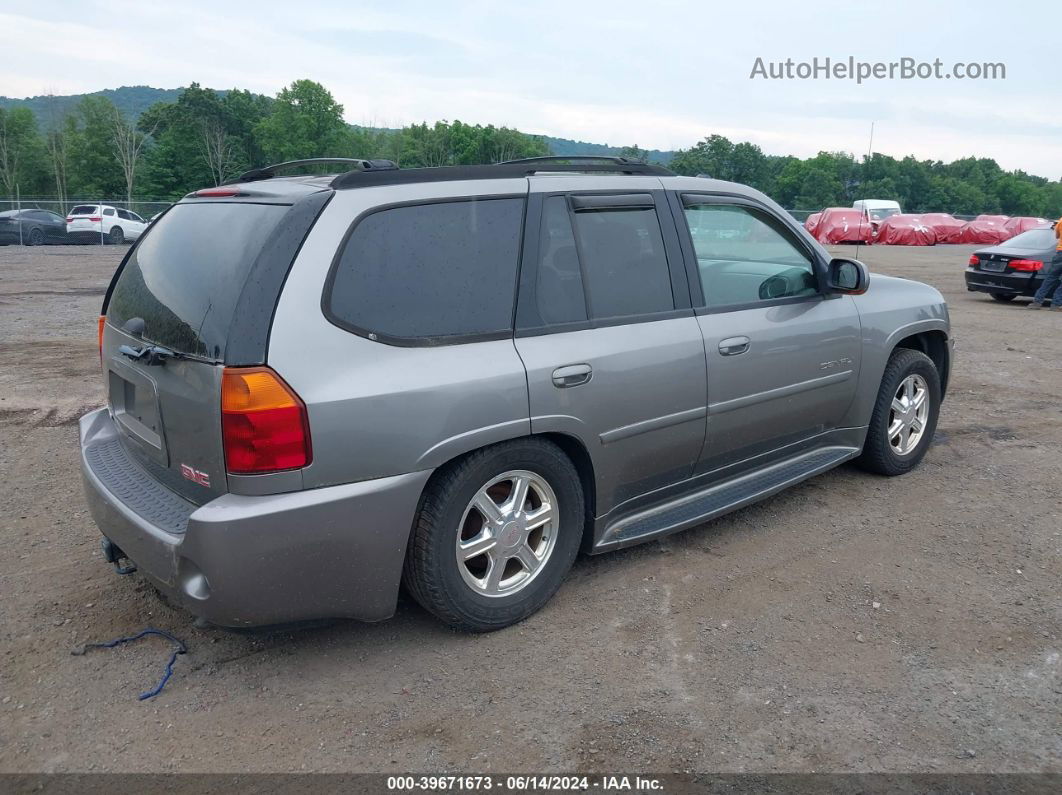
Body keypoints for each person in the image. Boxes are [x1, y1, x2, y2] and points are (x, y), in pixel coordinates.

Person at [1029, 217, 1062, 310]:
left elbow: (1057, 236)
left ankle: (1037, 302)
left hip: (1060, 253)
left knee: (1050, 279)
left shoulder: (1061, 221)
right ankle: (1056, 304)